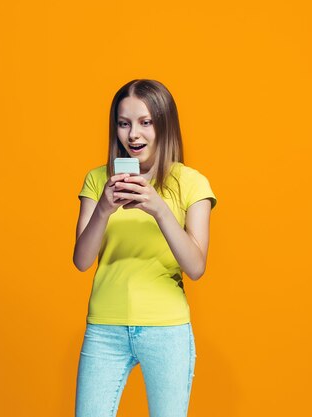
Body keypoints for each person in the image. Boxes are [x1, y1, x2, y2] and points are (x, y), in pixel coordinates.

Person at [73, 79, 217, 417]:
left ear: (164, 124)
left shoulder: (191, 183)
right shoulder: (98, 180)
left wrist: (159, 208)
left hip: (167, 330)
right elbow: (81, 260)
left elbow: (195, 267)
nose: (133, 134)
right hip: (105, 327)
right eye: (124, 123)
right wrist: (105, 209)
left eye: (145, 122)